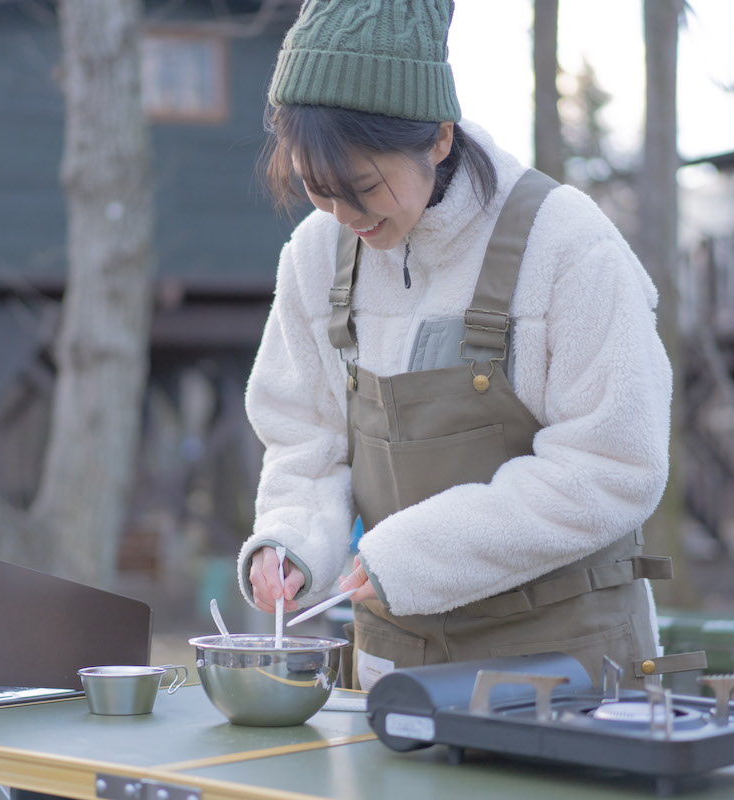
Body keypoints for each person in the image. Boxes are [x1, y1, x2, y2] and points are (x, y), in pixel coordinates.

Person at [237, 0, 674, 692]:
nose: (346, 220)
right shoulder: (316, 258)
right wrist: (291, 541)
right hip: (394, 664)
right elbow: (304, 440)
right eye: (319, 193)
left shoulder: (567, 248)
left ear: (438, 139)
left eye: (363, 190)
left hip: (561, 665)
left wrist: (408, 559)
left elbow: (613, 464)